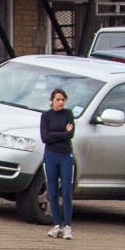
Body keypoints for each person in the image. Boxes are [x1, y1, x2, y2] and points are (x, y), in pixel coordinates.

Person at [40, 87, 77, 240]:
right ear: (52, 101)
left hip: (65, 155)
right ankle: (56, 225)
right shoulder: (46, 116)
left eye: (62, 100)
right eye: (58, 100)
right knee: (53, 192)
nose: (60, 102)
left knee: (66, 192)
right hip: (50, 155)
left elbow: (71, 134)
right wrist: (62, 134)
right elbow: (44, 137)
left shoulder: (68, 114)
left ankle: (67, 226)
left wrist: (57, 135)